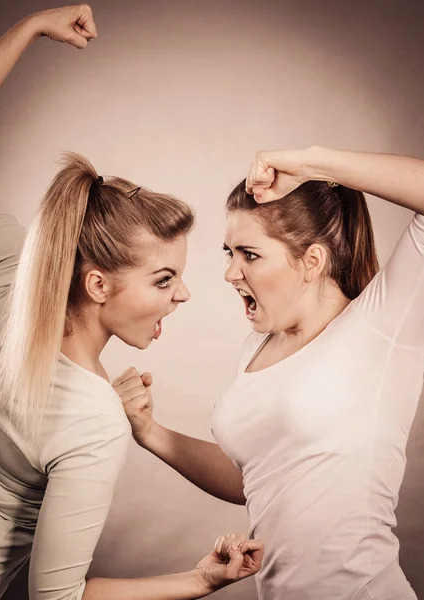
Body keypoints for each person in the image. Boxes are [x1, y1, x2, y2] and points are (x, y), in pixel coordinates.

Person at [0, 5, 263, 600]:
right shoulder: (94, 422)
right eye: (163, 280)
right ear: (99, 285)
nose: (184, 293)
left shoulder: (7, 271)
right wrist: (199, 579)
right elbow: (56, 598)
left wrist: (27, 28)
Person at [119, 146, 424, 599]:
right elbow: (257, 481)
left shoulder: (379, 326)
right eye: (229, 252)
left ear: (312, 261)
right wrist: (152, 433)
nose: (229, 273)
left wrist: (310, 163)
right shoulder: (257, 346)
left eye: (249, 254)